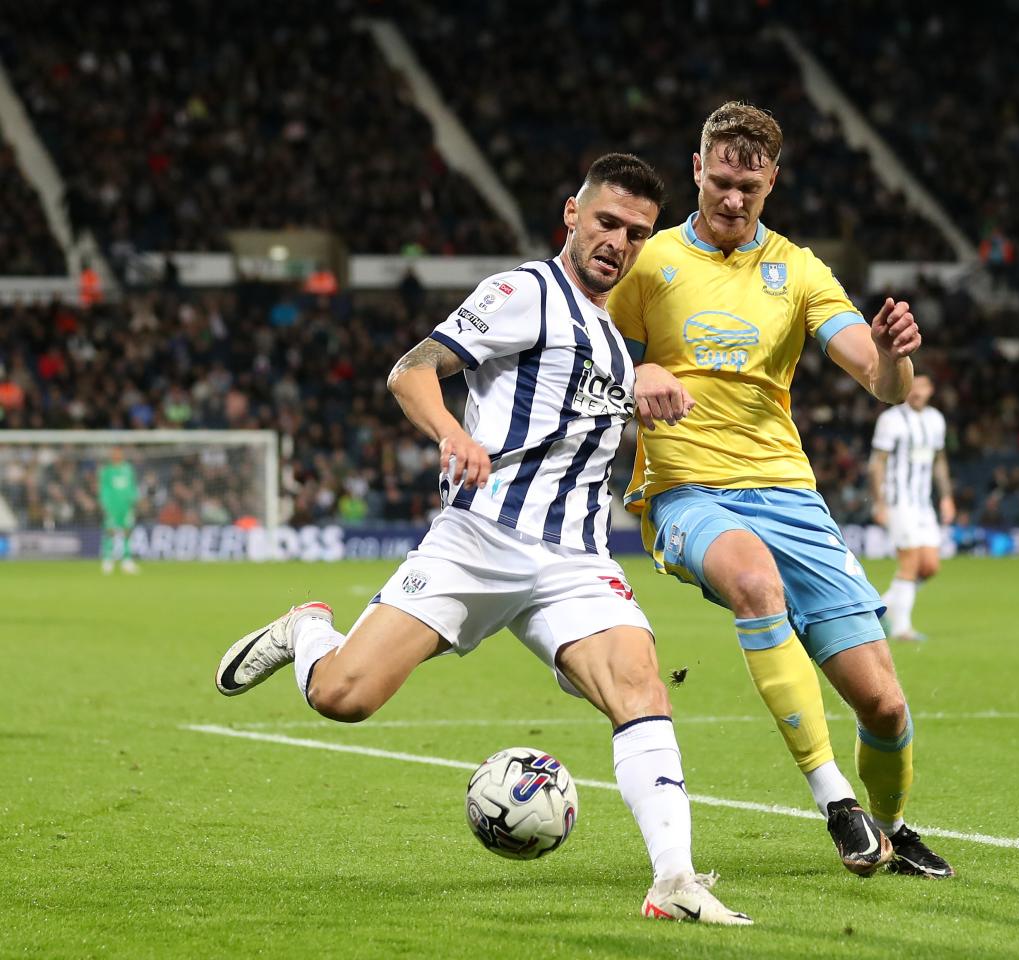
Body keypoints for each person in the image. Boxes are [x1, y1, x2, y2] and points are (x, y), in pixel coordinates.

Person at [213, 153, 751, 925]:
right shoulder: (523, 293)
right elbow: (410, 371)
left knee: (640, 685)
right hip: (479, 538)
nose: (618, 242)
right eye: (606, 222)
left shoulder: (612, 333)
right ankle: (309, 631)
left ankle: (674, 880)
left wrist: (644, 384)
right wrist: (450, 433)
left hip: (573, 561)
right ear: (572, 214)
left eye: (636, 232)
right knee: (343, 697)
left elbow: (584, 407)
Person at [609, 102, 954, 878]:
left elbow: (879, 380)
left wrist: (897, 355)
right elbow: (592, 352)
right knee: (754, 583)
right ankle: (837, 802)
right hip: (686, 489)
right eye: (721, 181)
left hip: (788, 494)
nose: (733, 199)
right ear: (697, 168)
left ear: (773, 182)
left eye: (750, 188)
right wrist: (638, 370)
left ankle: (893, 828)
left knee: (886, 706)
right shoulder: (651, 262)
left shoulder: (799, 270)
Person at [869, 372, 953, 642]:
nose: (917, 391)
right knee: (910, 562)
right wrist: (880, 503)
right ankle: (902, 628)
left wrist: (946, 497)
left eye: (923, 386)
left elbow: (939, 460)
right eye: (913, 386)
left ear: (931, 390)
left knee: (929, 566)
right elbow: (876, 463)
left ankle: (881, 607)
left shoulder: (936, 419)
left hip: (923, 503)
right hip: (899, 501)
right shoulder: (891, 419)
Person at [98, 447, 139, 574]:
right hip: (112, 507)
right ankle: (107, 560)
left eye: (119, 454)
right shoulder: (107, 471)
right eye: (114, 454)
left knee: (127, 531)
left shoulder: (128, 469)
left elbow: (132, 487)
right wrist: (105, 504)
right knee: (110, 532)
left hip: (126, 507)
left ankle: (127, 560)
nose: (117, 456)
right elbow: (104, 489)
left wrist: (133, 501)